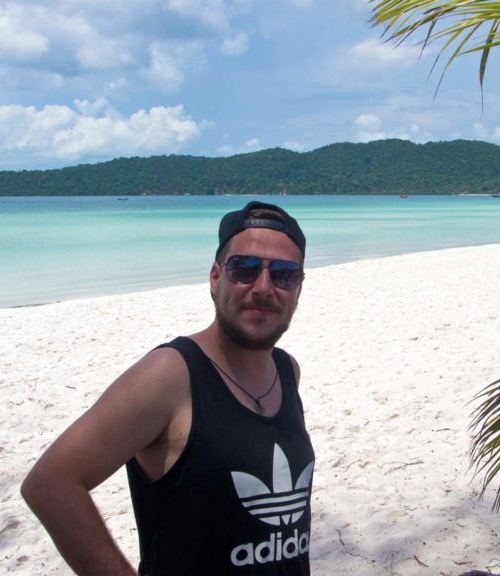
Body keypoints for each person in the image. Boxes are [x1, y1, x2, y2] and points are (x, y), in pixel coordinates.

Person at [21, 201, 314, 575]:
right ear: (214, 277)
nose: (263, 287)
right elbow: (51, 484)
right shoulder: (171, 374)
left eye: (284, 275)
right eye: (245, 268)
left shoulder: (287, 371)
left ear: (298, 287)